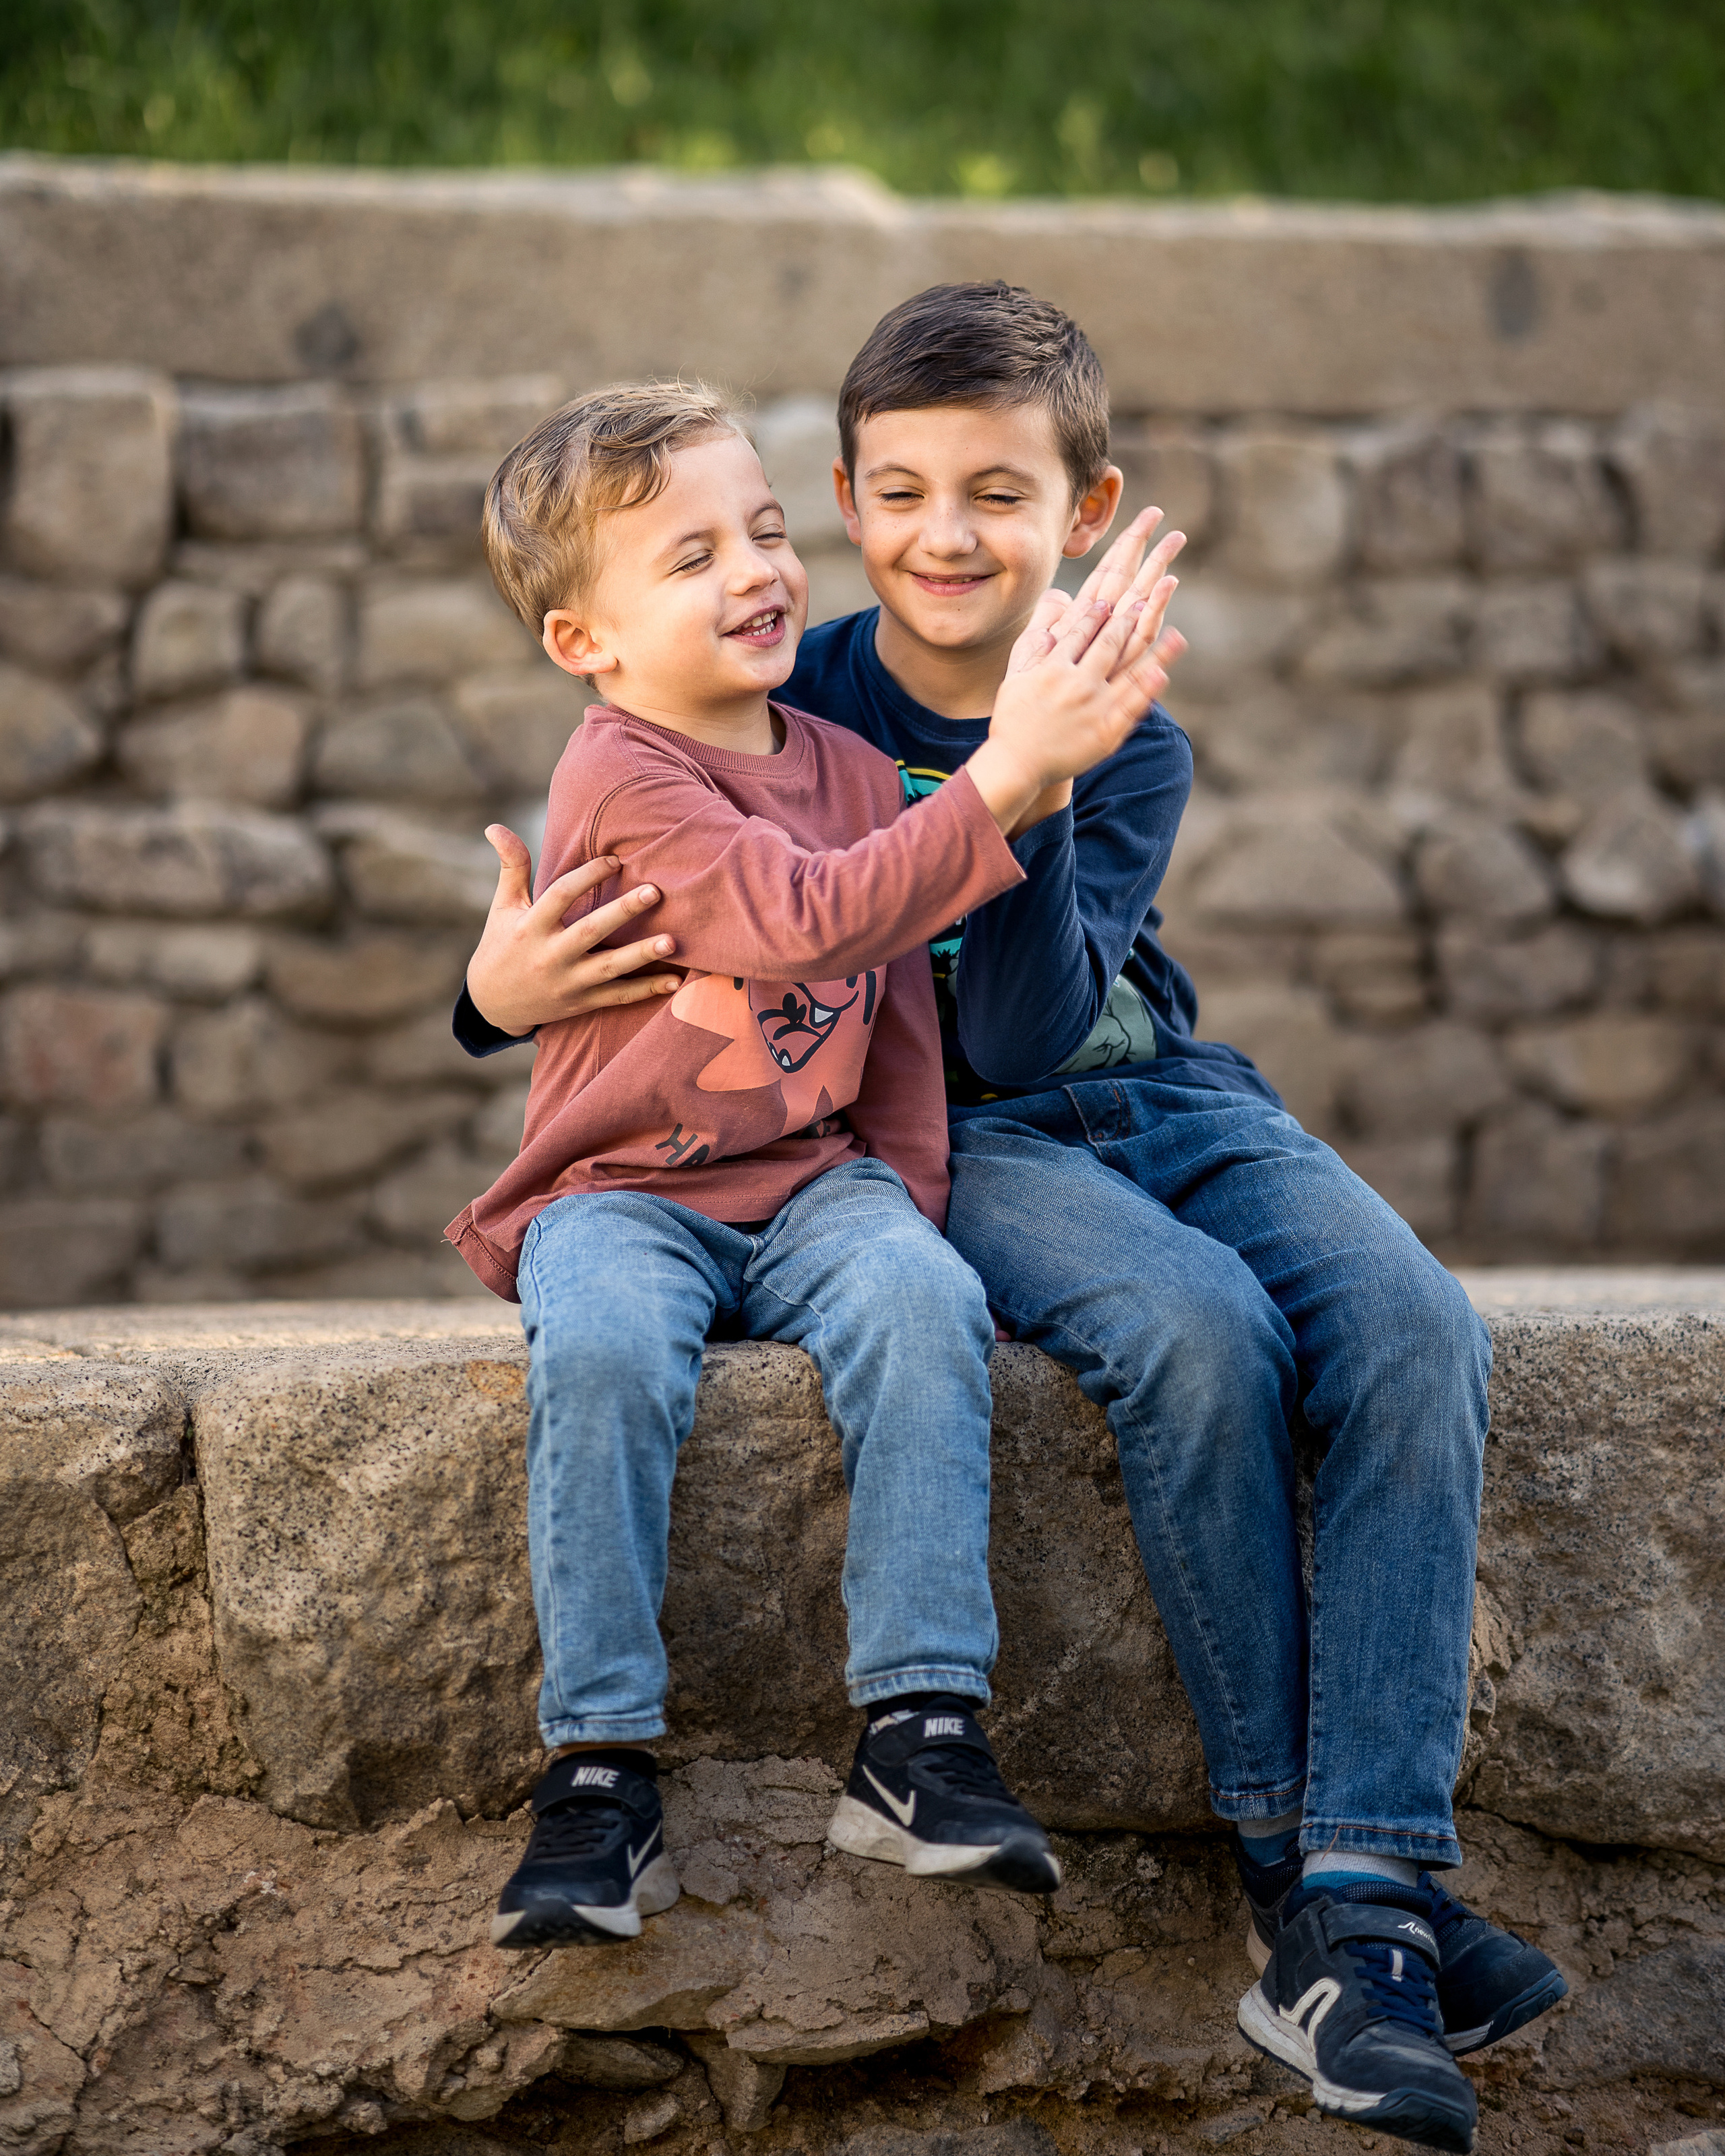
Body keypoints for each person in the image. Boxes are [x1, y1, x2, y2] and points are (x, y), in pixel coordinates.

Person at [454, 291, 1567, 2151]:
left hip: (1169, 1092)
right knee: (1199, 1337)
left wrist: (1056, 764)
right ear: (847, 499)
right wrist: (483, 994)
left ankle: (1362, 1888)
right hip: (964, 1129)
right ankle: (1317, 1882)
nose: (946, 535)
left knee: (1409, 1322)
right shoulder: (785, 683)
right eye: (897, 491)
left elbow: (1057, 1004)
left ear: (1083, 504)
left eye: (996, 492)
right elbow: (722, 913)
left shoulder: (1129, 735)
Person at [447, 377, 1185, 1952]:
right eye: (692, 557)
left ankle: (918, 1732)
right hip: (623, 1188)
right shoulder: (624, 773)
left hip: (814, 1177)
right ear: (587, 640)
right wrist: (1000, 777)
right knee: (595, 1350)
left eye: (767, 532)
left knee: (921, 1303)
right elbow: (803, 919)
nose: (755, 571)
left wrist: (902, 1208)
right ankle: (594, 1768)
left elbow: (904, 1019)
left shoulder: (849, 763)